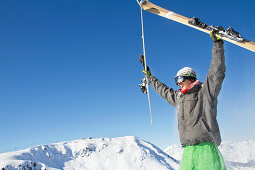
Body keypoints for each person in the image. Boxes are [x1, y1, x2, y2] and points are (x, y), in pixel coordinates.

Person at [141, 31, 227, 170]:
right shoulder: (179, 98)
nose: (178, 83)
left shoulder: (205, 91)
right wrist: (150, 78)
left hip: (206, 148)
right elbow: (163, 90)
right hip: (188, 151)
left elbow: (216, 72)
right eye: (176, 80)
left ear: (190, 78)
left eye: (180, 79)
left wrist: (217, 45)